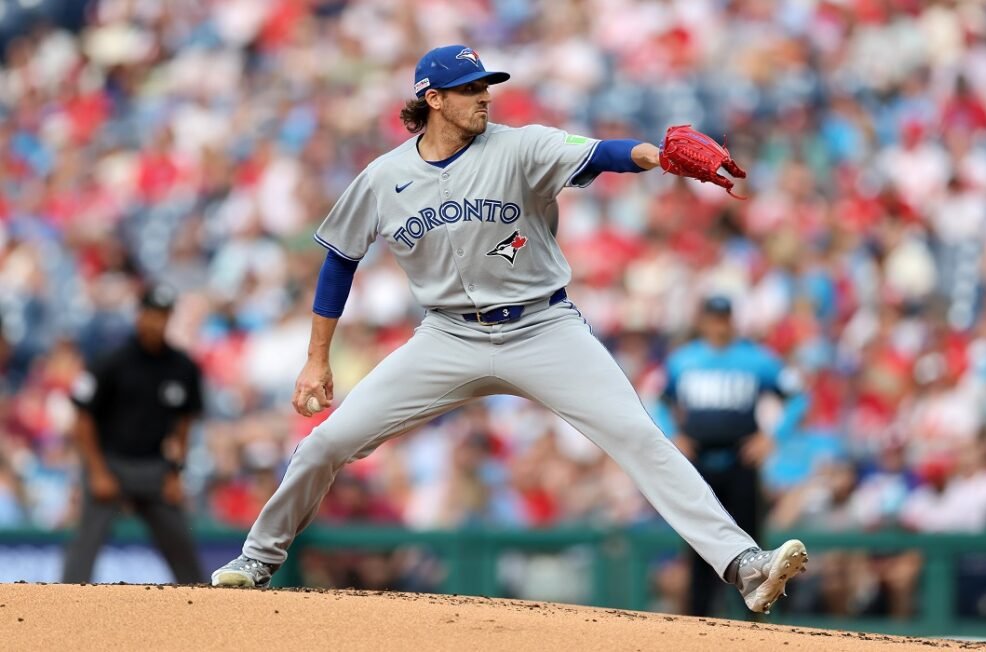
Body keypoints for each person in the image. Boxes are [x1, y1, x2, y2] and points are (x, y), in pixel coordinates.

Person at [211, 44, 807, 613]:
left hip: (543, 327)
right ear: (433, 99)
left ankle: (745, 565)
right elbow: (339, 260)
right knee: (326, 443)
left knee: (639, 438)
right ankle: (257, 559)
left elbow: (603, 153)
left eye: (485, 86)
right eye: (468, 89)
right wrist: (317, 358)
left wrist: (656, 155)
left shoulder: (521, 147)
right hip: (448, 337)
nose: (483, 97)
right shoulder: (383, 177)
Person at [662, 295, 808, 615]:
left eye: (724, 318)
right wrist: (674, 435)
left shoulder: (756, 360)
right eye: (714, 318)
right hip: (699, 462)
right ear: (703, 322)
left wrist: (772, 438)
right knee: (699, 547)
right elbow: (660, 400)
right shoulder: (684, 360)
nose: (719, 325)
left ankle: (751, 623)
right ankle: (699, 623)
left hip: (741, 461)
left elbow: (797, 398)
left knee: (750, 542)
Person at [63, 283, 204, 584]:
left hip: (153, 466)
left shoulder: (183, 367)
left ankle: (204, 606)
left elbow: (183, 425)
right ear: (139, 315)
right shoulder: (111, 361)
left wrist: (175, 473)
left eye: (163, 315)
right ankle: (66, 603)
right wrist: (97, 471)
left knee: (182, 547)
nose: (157, 322)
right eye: (152, 314)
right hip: (110, 462)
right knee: (85, 545)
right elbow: (83, 418)